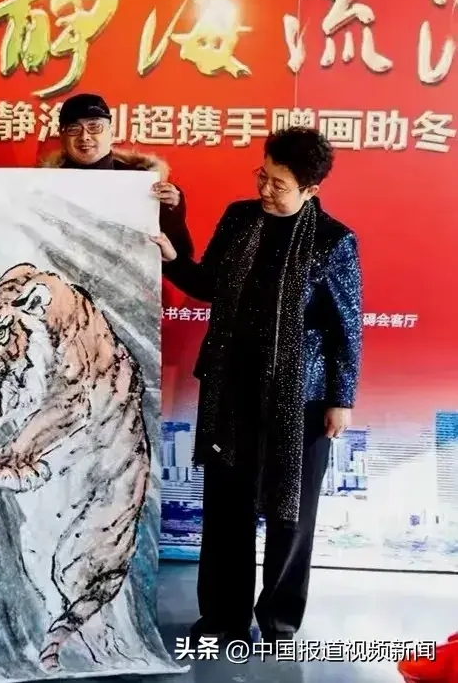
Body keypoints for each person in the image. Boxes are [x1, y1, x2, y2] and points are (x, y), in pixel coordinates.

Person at [152, 126, 362, 645]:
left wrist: (341, 399)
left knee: (292, 515)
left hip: (301, 398)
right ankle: (223, 618)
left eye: (279, 185)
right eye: (262, 176)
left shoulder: (334, 240)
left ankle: (279, 621)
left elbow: (346, 327)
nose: (265, 190)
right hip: (232, 388)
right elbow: (209, 284)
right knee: (227, 507)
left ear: (310, 189)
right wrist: (173, 259)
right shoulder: (240, 218)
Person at [40, 93, 194, 257]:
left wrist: (171, 211)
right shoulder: (42, 187)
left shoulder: (148, 187)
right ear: (62, 137)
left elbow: (182, 258)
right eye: (73, 129)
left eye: (94, 127)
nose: (84, 136)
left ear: (111, 133)